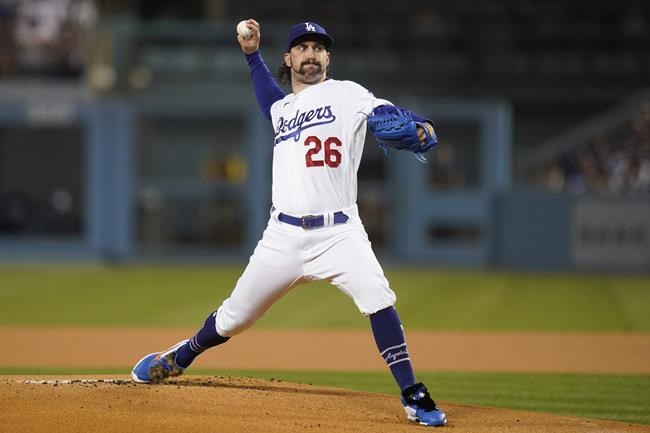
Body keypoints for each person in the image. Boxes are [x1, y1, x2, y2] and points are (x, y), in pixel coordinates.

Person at [131, 19, 446, 427]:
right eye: (302, 47)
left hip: (339, 232)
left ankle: (412, 393)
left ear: (328, 57)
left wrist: (421, 126)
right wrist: (250, 56)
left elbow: (390, 115)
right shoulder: (283, 111)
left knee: (379, 298)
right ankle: (179, 356)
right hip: (283, 235)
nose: (310, 53)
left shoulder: (349, 93)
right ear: (290, 58)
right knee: (234, 318)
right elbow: (268, 100)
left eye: (318, 48)